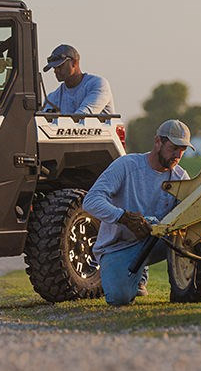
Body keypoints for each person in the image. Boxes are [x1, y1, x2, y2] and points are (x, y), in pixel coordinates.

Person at [82, 119, 194, 305]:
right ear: (158, 141)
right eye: (174, 147)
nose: (178, 154)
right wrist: (123, 217)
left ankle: (188, 289)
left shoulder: (180, 177)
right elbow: (91, 201)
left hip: (157, 241)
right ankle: (128, 274)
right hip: (118, 246)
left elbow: (191, 213)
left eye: (182, 150)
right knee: (120, 298)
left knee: (193, 237)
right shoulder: (126, 165)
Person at [42, 44, 115, 115]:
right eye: (54, 68)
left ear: (74, 62)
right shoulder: (52, 98)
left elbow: (83, 116)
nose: (56, 71)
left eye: (60, 66)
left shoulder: (97, 84)